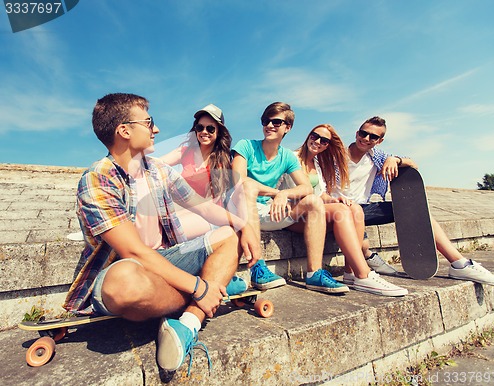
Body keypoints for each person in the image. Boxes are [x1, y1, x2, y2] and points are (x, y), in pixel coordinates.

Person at [63, 93, 260, 374]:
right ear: (125, 131)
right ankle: (217, 284)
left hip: (166, 260)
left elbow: (202, 206)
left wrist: (245, 225)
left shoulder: (158, 171)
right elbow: (134, 253)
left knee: (229, 233)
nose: (156, 129)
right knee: (124, 285)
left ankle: (190, 321)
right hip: (126, 269)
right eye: (149, 121)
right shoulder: (98, 178)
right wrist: (201, 287)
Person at [338, 116, 494, 286]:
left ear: (380, 141)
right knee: (362, 245)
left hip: (364, 209)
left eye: (373, 137)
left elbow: (413, 164)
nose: (366, 139)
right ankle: (369, 256)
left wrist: (395, 160)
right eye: (363, 133)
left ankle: (460, 263)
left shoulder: (376, 156)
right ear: (357, 133)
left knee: (415, 209)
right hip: (340, 210)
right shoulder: (338, 154)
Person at [232, 102, 348, 293]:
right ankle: (257, 268)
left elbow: (306, 188)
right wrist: (277, 193)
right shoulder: (246, 146)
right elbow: (240, 182)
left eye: (276, 122)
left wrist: (285, 194)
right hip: (243, 211)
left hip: (268, 212)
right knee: (248, 186)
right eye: (266, 121)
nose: (269, 125)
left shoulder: (287, 156)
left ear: (288, 127)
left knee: (313, 201)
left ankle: (315, 274)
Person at [288, 124, 407, 296]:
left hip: (314, 213)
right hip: (293, 214)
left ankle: (350, 273)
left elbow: (321, 194)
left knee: (355, 209)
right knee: (341, 211)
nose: (318, 142)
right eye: (315, 136)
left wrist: (336, 199)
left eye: (324, 141)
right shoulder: (291, 158)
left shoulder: (317, 164)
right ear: (308, 136)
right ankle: (364, 273)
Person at [162, 103, 248, 294]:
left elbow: (228, 196)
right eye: (200, 127)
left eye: (210, 128)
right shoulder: (186, 150)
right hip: (184, 211)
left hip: (208, 216)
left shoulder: (225, 160)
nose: (204, 132)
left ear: (219, 132)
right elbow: (158, 164)